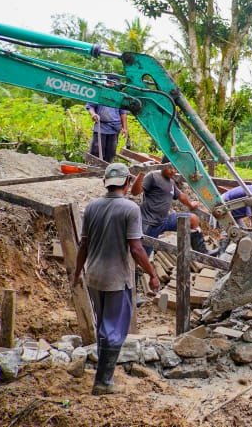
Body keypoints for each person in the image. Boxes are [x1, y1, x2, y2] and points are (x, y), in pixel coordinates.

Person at [73, 163, 160, 396]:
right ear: (127, 183)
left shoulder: (92, 206)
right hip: (116, 279)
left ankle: (103, 376)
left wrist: (76, 272)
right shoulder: (130, 209)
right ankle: (103, 382)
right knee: (114, 330)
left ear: (106, 183)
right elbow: (137, 248)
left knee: (103, 326)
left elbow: (84, 244)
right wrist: (152, 274)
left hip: (94, 277)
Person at [130, 160, 206, 254]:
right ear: (163, 165)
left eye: (175, 168)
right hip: (150, 223)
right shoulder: (153, 176)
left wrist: (190, 205)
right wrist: (141, 173)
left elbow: (180, 195)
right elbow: (134, 192)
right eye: (171, 168)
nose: (174, 171)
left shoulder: (170, 181)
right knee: (144, 254)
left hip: (164, 220)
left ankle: (203, 254)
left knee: (193, 219)